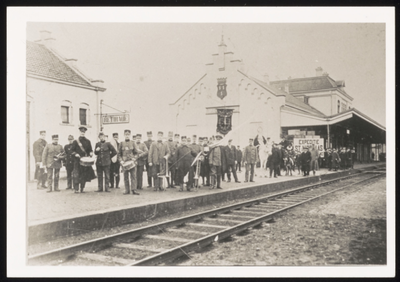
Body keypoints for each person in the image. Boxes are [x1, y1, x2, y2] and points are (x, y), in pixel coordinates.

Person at [71, 126, 96, 193]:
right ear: (79, 132)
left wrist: (91, 153)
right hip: (77, 160)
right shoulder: (75, 142)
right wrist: (75, 154)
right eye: (81, 132)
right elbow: (71, 150)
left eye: (83, 132)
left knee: (84, 175)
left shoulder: (88, 141)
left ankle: (82, 188)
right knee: (76, 175)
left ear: (85, 132)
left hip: (85, 161)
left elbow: (90, 150)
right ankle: (76, 189)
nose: (82, 133)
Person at [118, 129, 140, 195]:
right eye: (126, 134)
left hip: (132, 163)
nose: (127, 136)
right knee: (125, 177)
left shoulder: (133, 143)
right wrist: (121, 161)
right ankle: (127, 190)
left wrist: (134, 158)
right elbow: (119, 154)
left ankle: (134, 190)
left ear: (130, 135)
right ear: (124, 135)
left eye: (128, 134)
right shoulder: (121, 143)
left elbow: (137, 153)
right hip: (124, 163)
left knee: (133, 176)